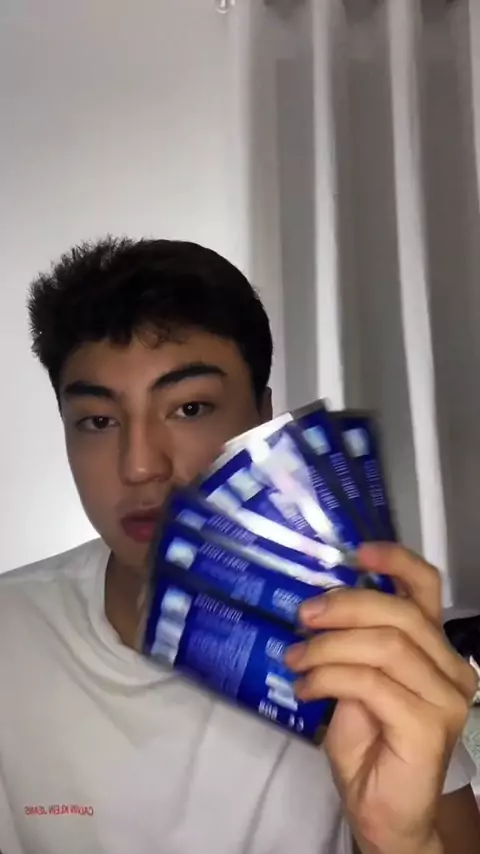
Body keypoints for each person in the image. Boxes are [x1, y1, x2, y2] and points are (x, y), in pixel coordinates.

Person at [0, 238, 479, 854]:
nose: (140, 465)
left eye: (189, 407)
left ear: (262, 420)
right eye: (98, 420)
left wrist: (399, 839)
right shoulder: (12, 634)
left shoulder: (357, 630)